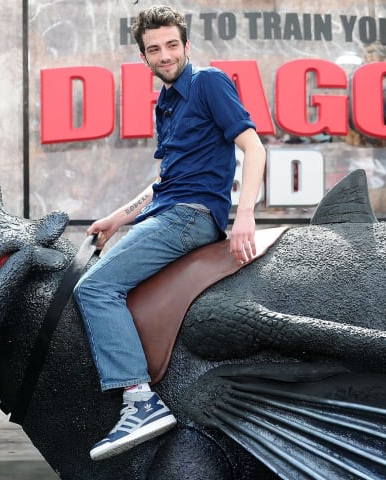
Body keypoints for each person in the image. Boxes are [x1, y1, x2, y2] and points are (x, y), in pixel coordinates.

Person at [72, 5, 266, 461]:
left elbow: (254, 147)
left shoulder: (208, 82)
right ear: (144, 57)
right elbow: (165, 180)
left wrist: (245, 215)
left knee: (94, 288)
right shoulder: (166, 102)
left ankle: (140, 401)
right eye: (154, 49)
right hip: (168, 211)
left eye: (172, 45)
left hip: (190, 216)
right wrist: (119, 217)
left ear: (187, 45)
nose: (165, 55)